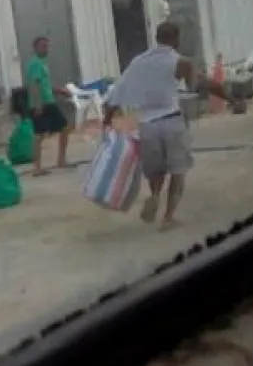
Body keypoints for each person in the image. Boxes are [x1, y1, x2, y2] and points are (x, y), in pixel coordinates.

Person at [102, 21, 244, 230]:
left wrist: (107, 120)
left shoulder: (138, 62)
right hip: (172, 121)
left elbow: (116, 93)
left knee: (156, 170)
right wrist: (232, 99)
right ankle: (168, 217)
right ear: (176, 39)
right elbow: (203, 85)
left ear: (157, 38)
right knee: (178, 171)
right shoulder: (179, 62)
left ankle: (155, 195)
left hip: (147, 126)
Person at [24, 36, 73, 176]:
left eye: (46, 46)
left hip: (49, 101)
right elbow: (34, 85)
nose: (45, 49)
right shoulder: (34, 64)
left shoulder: (42, 63)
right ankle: (37, 167)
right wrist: (38, 104)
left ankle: (61, 160)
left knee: (65, 127)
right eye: (42, 46)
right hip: (41, 103)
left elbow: (45, 84)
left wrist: (59, 91)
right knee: (39, 135)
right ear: (35, 48)